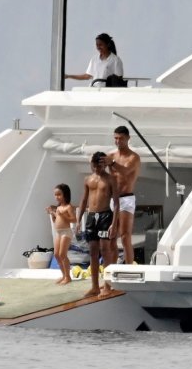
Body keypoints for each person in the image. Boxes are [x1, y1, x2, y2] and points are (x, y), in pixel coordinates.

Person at [77, 151, 119, 297]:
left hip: (105, 216)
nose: (96, 169)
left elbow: (117, 204)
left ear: (104, 165)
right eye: (94, 166)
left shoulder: (110, 179)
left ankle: (107, 286)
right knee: (93, 251)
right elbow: (83, 201)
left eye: (99, 166)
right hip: (91, 217)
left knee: (105, 250)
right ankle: (95, 286)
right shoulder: (88, 179)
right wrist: (78, 221)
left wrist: (114, 223)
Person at [103, 126, 141, 265]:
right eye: (116, 138)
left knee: (125, 237)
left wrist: (111, 163)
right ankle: (111, 268)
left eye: (121, 138)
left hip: (126, 199)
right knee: (111, 237)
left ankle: (129, 269)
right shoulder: (111, 155)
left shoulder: (134, 157)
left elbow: (125, 172)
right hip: (113, 200)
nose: (118, 141)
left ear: (128, 139)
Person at [46, 183, 77, 285]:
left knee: (62, 254)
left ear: (65, 195)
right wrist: (52, 213)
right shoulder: (59, 208)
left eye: (59, 194)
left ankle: (68, 277)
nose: (57, 197)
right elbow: (57, 219)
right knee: (56, 254)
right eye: (55, 195)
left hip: (66, 232)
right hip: (58, 232)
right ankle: (64, 275)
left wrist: (63, 216)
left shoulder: (68, 207)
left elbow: (73, 219)